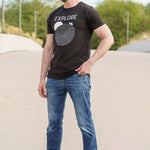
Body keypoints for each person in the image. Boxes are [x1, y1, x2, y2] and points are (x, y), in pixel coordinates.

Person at [38, 0, 114, 150]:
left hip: (77, 77)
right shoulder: (54, 15)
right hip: (54, 78)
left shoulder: (86, 11)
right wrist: (42, 78)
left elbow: (108, 38)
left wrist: (90, 62)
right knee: (53, 126)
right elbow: (48, 48)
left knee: (85, 124)